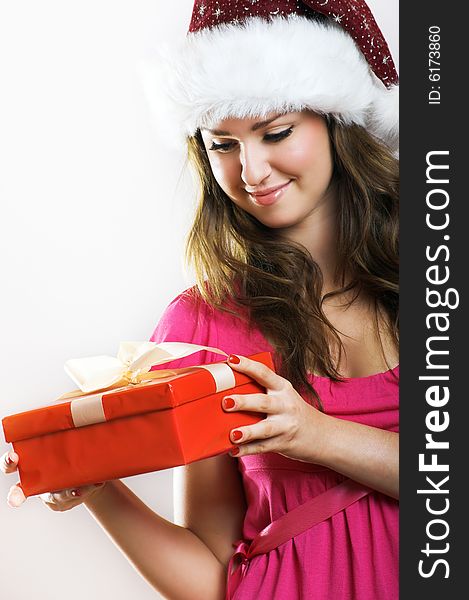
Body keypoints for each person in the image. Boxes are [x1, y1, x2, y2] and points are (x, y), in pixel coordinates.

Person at [2, 1, 399, 598]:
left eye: (276, 132)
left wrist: (315, 435)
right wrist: (98, 484)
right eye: (222, 144)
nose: (252, 169)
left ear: (339, 121)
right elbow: (212, 578)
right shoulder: (204, 321)